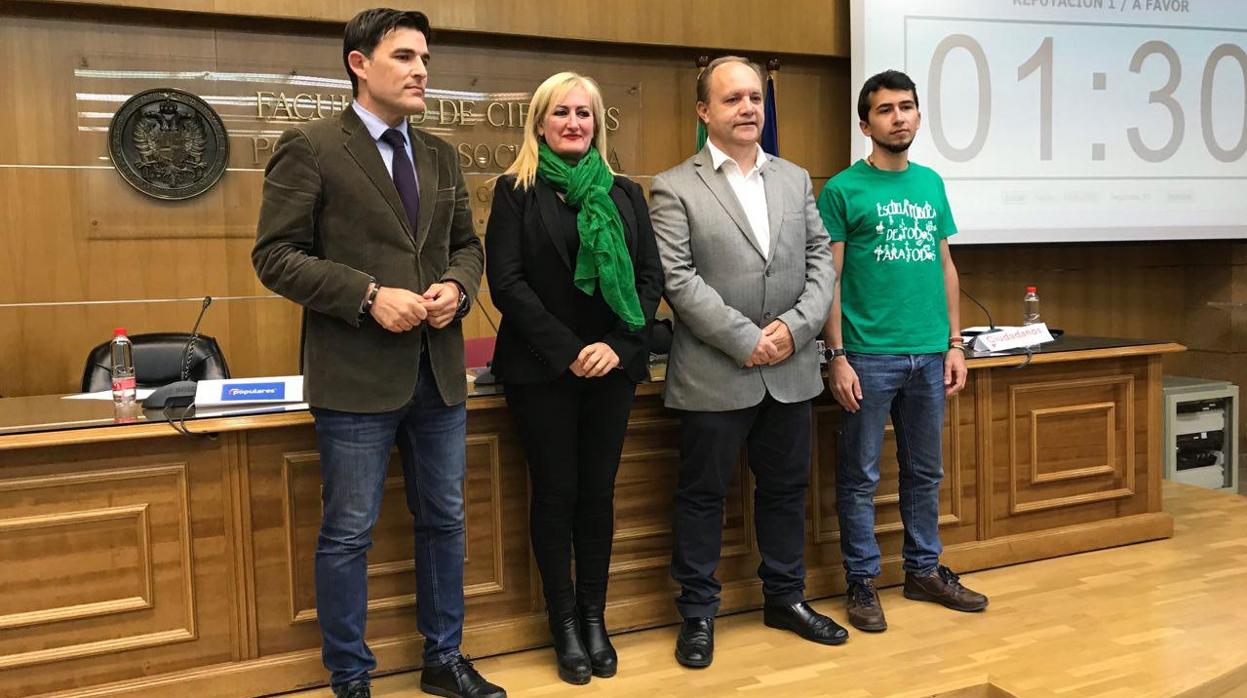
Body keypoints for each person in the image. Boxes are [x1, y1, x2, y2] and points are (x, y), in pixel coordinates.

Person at [252, 8, 505, 698]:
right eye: (404, 56)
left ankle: (443, 659)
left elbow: (465, 245)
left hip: (439, 375)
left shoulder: (440, 154)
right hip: (356, 378)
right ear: (359, 64)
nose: (422, 70)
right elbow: (275, 257)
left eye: (425, 57)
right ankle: (350, 677)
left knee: (445, 521)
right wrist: (367, 295)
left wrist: (457, 285)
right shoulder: (310, 146)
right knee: (348, 535)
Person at [649, 55, 842, 670]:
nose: (748, 109)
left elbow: (822, 266)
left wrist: (792, 329)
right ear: (704, 111)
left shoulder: (796, 179)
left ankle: (785, 598)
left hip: (790, 371)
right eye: (733, 99)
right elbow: (677, 282)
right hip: (715, 372)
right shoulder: (673, 185)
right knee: (703, 497)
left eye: (755, 98)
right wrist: (745, 339)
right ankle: (698, 614)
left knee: (786, 491)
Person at [484, 71, 663, 685]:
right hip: (543, 372)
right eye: (560, 113)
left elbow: (649, 279)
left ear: (597, 123)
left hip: (613, 371)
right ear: (539, 122)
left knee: (598, 496)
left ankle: (595, 617)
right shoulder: (515, 191)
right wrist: (572, 351)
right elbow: (507, 284)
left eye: (584, 114)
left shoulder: (625, 194)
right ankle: (561, 623)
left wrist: (615, 347)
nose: (573, 123)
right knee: (556, 495)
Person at [816, 69, 989, 635]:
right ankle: (863, 581)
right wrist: (836, 353)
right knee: (860, 477)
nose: (899, 117)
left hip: (928, 354)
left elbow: (945, 264)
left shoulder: (932, 183)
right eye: (886, 109)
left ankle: (922, 571)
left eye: (907, 107)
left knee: (924, 472)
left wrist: (955, 344)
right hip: (867, 355)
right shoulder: (842, 189)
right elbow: (830, 278)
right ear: (865, 123)